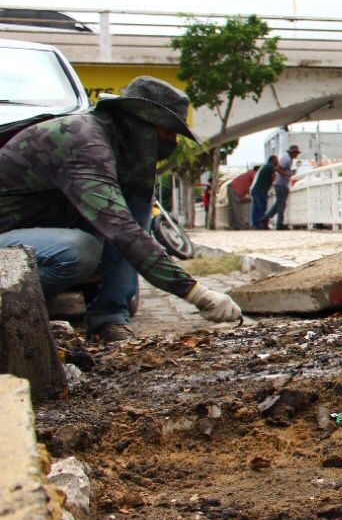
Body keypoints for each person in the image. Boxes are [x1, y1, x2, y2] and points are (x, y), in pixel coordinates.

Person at [0, 76, 242, 341]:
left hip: (35, 228)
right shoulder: (83, 142)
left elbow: (134, 226)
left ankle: (109, 318)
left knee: (140, 192)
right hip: (7, 237)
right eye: (166, 132)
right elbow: (121, 230)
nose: (171, 142)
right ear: (140, 124)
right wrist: (196, 293)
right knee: (79, 250)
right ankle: (9, 303)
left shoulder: (114, 147)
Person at [260, 144, 300, 230]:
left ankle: (265, 219)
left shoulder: (287, 158)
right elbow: (278, 168)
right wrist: (287, 174)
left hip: (280, 184)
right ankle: (279, 224)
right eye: (296, 153)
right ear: (293, 153)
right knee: (281, 205)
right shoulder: (287, 159)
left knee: (278, 204)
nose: (296, 155)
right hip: (281, 184)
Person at [250, 155, 278, 230]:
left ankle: (254, 224)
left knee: (256, 208)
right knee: (262, 207)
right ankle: (261, 224)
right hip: (261, 189)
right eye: (276, 160)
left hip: (255, 189)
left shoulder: (264, 166)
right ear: (273, 160)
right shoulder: (270, 166)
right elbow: (274, 176)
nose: (277, 162)